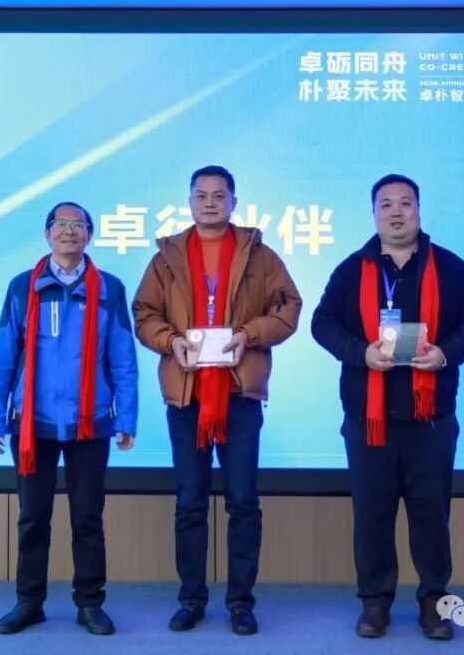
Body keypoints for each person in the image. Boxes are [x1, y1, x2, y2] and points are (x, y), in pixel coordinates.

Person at [310, 174, 464, 641]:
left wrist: (444, 353)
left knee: (431, 516)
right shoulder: (352, 269)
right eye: (385, 204)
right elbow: (322, 323)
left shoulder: (450, 267)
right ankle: (374, 603)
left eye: (405, 203)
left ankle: (434, 602)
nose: (395, 212)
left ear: (418, 211)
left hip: (431, 419)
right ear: (373, 214)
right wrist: (361, 352)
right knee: (372, 515)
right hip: (368, 420)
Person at [133, 165, 302, 636]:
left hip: (238, 394)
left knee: (243, 501)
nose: (210, 202)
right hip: (186, 394)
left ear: (233, 202)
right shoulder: (167, 257)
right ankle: (191, 599)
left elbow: (289, 307)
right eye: (201, 195)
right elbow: (144, 314)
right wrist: (170, 341)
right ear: (190, 202)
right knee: (190, 502)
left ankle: (241, 603)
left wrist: (250, 334)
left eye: (219, 195)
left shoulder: (259, 255)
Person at [0, 201, 139, 636]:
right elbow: (3, 354)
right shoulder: (23, 286)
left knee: (87, 518)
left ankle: (89, 603)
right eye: (61, 224)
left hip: (90, 422)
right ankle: (28, 602)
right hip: (31, 424)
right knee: (33, 518)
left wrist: (126, 416)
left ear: (90, 235)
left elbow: (123, 357)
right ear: (47, 233)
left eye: (79, 225)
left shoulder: (109, 288)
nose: (70, 231)